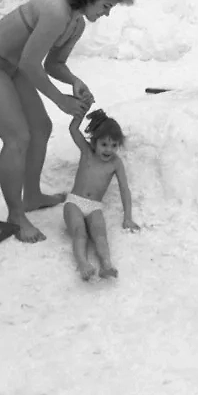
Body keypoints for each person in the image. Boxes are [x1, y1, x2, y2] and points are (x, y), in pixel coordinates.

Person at [0, 0, 134, 243]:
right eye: (106, 6)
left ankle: (32, 196)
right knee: (17, 137)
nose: (107, 13)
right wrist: (60, 99)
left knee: (41, 127)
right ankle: (15, 216)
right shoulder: (55, 11)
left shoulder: (76, 23)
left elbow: (54, 64)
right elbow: (30, 63)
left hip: (11, 67)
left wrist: (74, 81)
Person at [65, 108, 139, 281]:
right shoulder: (87, 152)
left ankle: (106, 265)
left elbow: (124, 189)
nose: (108, 150)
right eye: (104, 144)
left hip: (94, 207)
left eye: (114, 145)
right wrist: (80, 112)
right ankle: (83, 263)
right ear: (94, 142)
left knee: (100, 234)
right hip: (74, 203)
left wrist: (128, 217)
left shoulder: (116, 163)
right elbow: (73, 130)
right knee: (80, 232)